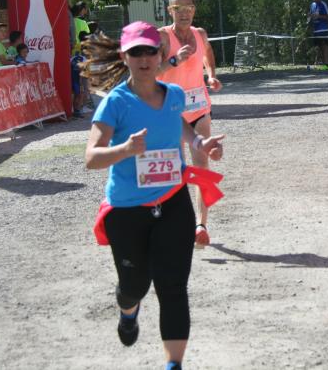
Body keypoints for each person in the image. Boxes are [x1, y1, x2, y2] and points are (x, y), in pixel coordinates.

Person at [84, 21, 225, 370]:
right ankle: (128, 311)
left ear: (161, 54)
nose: (145, 58)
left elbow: (179, 125)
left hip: (173, 202)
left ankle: (173, 364)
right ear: (125, 56)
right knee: (135, 285)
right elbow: (91, 158)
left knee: (173, 286)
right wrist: (126, 149)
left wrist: (198, 143)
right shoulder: (115, 103)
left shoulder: (174, 95)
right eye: (136, 52)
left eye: (150, 50)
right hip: (128, 209)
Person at [158, 0, 222, 249]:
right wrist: (173, 61)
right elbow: (150, 73)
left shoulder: (200, 34)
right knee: (174, 171)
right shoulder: (162, 37)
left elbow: (207, 53)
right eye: (178, 8)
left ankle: (201, 225)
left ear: (194, 9)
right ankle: (173, 223)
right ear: (170, 10)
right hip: (170, 112)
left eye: (189, 8)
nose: (184, 13)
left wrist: (211, 75)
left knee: (202, 168)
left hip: (198, 109)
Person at [307, 0, 328, 69]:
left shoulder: (323, 4)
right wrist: (310, 17)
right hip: (315, 30)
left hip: (323, 29)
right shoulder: (312, 5)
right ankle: (320, 63)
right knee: (317, 47)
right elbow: (310, 15)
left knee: (325, 46)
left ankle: (326, 64)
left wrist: (319, 16)